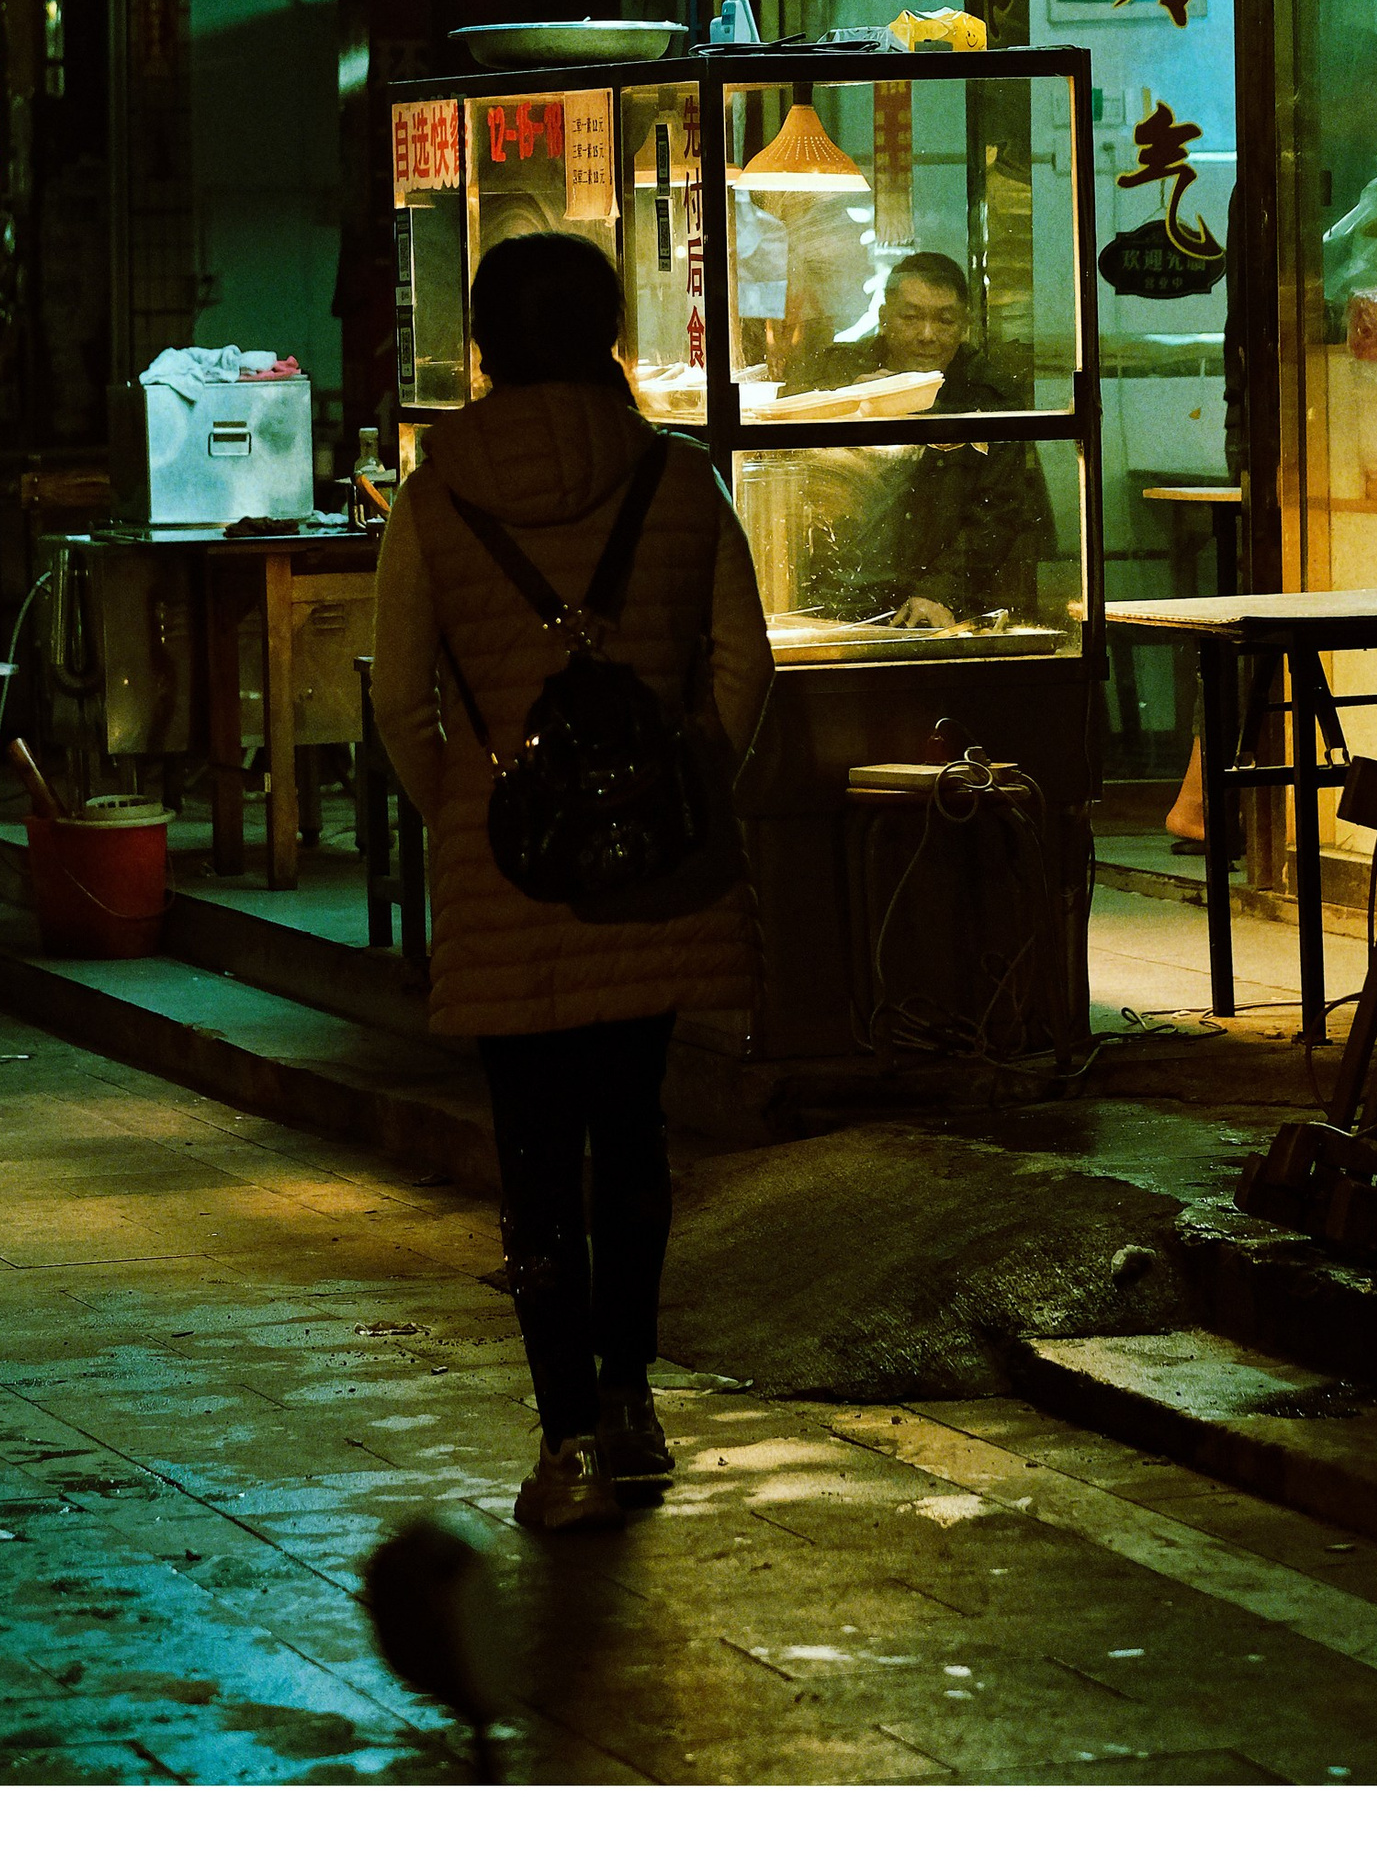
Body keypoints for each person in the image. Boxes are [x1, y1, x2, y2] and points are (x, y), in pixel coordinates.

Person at [371, 231, 774, 1536]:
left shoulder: (433, 500)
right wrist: (678, 784)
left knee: (534, 1156)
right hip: (651, 874)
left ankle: (564, 1442)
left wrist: (466, 813)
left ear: (484, 343)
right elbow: (741, 670)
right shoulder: (679, 476)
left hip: (507, 875)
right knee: (633, 1134)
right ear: (609, 331)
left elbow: (394, 697)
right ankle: (633, 1395)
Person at [782, 248, 1054, 629]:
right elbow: (782, 434)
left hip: (941, 603)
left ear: (965, 325)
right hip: (833, 594)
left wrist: (942, 590)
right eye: (911, 318)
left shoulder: (989, 398)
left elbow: (1000, 510)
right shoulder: (840, 371)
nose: (928, 335)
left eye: (945, 321)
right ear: (884, 319)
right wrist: (844, 404)